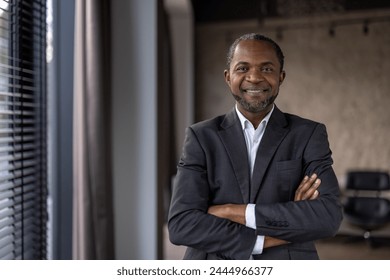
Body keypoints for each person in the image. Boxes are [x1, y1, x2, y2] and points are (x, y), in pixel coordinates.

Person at [168, 33, 343, 260]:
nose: (254, 78)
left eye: (267, 69)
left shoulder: (308, 134)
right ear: (227, 76)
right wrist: (268, 237)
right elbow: (181, 224)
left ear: (281, 77)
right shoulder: (201, 137)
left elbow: (328, 216)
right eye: (242, 68)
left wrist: (232, 211)